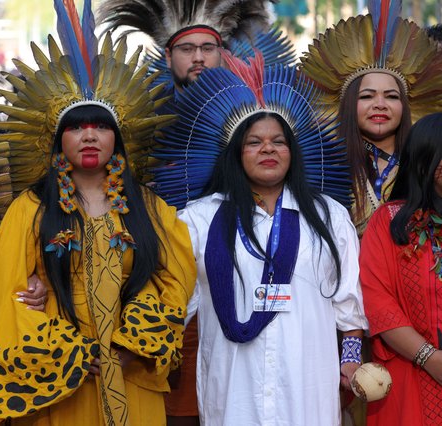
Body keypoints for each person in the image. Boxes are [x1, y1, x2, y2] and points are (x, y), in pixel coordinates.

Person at [0, 2, 196, 424]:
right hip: (57, 380)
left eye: (100, 127)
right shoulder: (30, 209)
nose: (88, 136)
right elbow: (6, 298)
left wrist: (133, 343)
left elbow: (177, 279)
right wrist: (72, 355)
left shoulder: (148, 207)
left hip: (129, 369)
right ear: (56, 139)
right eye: (76, 127)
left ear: (117, 139)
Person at [151, 53, 367, 424]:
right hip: (233, 387)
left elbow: (347, 303)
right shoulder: (198, 220)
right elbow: (173, 302)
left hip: (307, 385)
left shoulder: (329, 216)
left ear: (292, 153)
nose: (268, 149)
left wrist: (350, 359)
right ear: (236, 154)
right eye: (254, 142)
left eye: (278, 142)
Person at [96, 3, 282, 424]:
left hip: (242, 279)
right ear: (167, 56)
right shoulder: (142, 122)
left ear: (224, 53)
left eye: (208, 48)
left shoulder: (255, 118)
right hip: (162, 280)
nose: (198, 58)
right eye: (187, 49)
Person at [300, 0, 442, 237]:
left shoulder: (428, 161)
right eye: (366, 96)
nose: (379, 104)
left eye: (391, 96)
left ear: (405, 106)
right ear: (347, 105)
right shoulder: (323, 165)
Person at [359, 112, 442, 425]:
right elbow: (378, 302)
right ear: (424, 160)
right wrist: (428, 358)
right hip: (411, 373)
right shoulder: (390, 222)